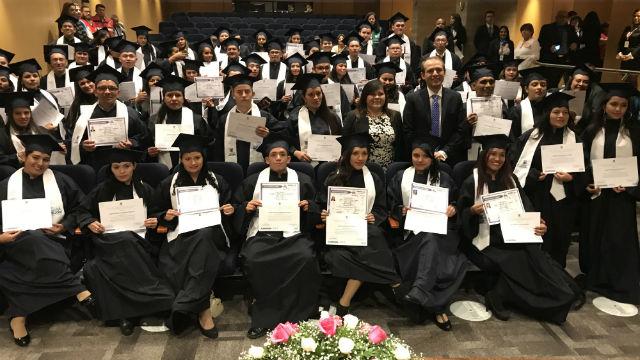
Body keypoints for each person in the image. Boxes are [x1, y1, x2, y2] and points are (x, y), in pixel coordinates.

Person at [457, 134, 583, 324]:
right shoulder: (471, 182)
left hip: (513, 233)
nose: (497, 159)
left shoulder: (511, 179)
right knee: (520, 258)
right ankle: (521, 296)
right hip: (485, 239)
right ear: (484, 156)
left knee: (534, 253)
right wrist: (472, 212)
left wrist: (538, 224)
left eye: (501, 155)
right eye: (493, 154)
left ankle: (502, 293)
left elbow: (526, 207)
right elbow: (460, 219)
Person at [0, 134, 97, 347]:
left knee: (18, 266)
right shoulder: (6, 185)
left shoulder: (61, 181)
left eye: (45, 159)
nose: (40, 163)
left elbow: (80, 207)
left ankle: (18, 317)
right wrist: (1, 237)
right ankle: (75, 288)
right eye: (35, 157)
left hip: (54, 241)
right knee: (32, 237)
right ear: (24, 156)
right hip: (16, 244)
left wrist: (63, 225)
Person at [76, 148, 175, 336]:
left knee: (109, 257)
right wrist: (89, 222)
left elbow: (157, 212)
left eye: (126, 166)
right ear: (111, 169)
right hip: (108, 241)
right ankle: (153, 303)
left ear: (134, 166)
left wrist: (155, 219)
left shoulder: (145, 189)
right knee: (119, 245)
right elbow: (82, 211)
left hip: (139, 241)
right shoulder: (101, 190)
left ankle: (126, 315)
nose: (122, 171)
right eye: (116, 167)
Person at [233, 134, 321, 339]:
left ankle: (300, 315)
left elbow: (318, 208)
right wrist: (246, 208)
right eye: (274, 155)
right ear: (266, 160)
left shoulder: (303, 180)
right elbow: (237, 207)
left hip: (293, 233)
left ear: (289, 159)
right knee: (254, 258)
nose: (279, 158)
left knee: (305, 257)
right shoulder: (253, 181)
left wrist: (309, 208)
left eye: (283, 154)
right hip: (263, 233)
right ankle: (264, 316)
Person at [150, 134, 235, 338]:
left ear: (203, 158)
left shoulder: (217, 181)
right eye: (188, 159)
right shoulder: (169, 183)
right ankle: (202, 310)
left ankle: (186, 307)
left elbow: (232, 207)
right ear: (181, 160)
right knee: (201, 247)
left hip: (212, 234)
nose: (193, 162)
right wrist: (165, 215)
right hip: (182, 235)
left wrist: (230, 210)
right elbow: (154, 212)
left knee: (205, 236)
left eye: (197, 158)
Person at [387, 138, 467, 330]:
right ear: (411, 156)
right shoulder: (400, 176)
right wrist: (400, 210)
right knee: (429, 243)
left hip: (441, 231)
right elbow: (390, 205)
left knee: (431, 239)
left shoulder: (444, 178)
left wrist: (453, 208)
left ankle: (420, 292)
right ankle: (437, 307)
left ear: (432, 158)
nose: (420, 160)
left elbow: (457, 202)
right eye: (416, 155)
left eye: (425, 156)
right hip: (410, 232)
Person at [318, 132, 400, 316]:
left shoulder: (374, 179)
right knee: (374, 240)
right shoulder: (333, 178)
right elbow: (321, 206)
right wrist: (324, 214)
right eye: (355, 153)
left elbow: (381, 208)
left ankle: (344, 302)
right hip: (340, 232)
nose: (360, 158)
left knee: (372, 236)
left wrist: (374, 216)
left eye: (364, 153)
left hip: (364, 228)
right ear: (347, 155)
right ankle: (393, 280)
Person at [578, 83, 640, 305]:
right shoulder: (591, 130)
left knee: (618, 238)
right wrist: (588, 182)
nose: (618, 109)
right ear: (604, 106)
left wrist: (632, 187)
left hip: (623, 197)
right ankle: (595, 277)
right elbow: (582, 161)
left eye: (623, 105)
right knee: (593, 234)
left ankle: (618, 280)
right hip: (597, 194)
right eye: (614, 104)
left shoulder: (634, 131)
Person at [512, 92, 584, 267]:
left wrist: (571, 178)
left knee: (560, 238)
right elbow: (514, 165)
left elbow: (585, 169)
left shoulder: (575, 138)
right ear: (547, 113)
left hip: (563, 199)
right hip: (536, 195)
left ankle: (557, 275)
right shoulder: (530, 137)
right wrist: (533, 176)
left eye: (565, 113)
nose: (561, 116)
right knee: (535, 237)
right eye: (556, 112)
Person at [69, 64, 147, 169]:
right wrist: (83, 146)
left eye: (112, 88)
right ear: (95, 92)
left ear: (118, 92)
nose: (107, 92)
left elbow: (144, 137)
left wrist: (132, 142)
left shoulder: (130, 114)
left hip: (122, 164)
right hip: (94, 164)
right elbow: (73, 140)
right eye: (102, 88)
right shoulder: (85, 116)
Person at [212, 73, 283, 172]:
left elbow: (281, 137)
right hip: (233, 169)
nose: (244, 95)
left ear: (253, 94)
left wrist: (268, 135)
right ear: (233, 94)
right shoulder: (224, 119)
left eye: (247, 91)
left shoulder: (264, 116)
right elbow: (218, 149)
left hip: (259, 169)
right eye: (239, 92)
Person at [403, 56, 466, 165]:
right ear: (423, 75)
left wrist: (445, 152)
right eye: (430, 71)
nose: (435, 73)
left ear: (445, 73)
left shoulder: (455, 97)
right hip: (421, 158)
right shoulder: (412, 98)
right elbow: (408, 131)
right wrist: (425, 152)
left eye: (439, 70)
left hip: (449, 157)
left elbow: (460, 130)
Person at [146, 75, 211, 169]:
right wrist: (150, 153)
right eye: (169, 95)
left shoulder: (196, 119)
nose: (174, 98)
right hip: (163, 169)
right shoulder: (154, 120)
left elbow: (207, 145)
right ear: (163, 97)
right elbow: (146, 146)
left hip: (191, 168)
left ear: (183, 97)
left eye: (178, 95)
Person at [343, 80, 404, 169]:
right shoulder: (354, 116)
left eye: (380, 94)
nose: (377, 97)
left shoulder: (395, 116)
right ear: (365, 97)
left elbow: (400, 146)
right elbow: (345, 146)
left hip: (389, 169)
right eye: (372, 94)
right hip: (362, 168)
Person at [286, 73, 342, 164]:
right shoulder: (295, 117)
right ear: (304, 97)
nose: (316, 98)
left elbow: (341, 140)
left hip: (329, 165)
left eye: (318, 93)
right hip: (304, 165)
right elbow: (286, 140)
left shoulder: (333, 117)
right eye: (311, 95)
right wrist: (295, 152)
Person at [0, 92, 65, 167]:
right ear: (11, 115)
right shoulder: (3, 134)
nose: (23, 116)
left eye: (26, 113)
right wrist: (18, 157)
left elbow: (53, 149)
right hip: (15, 172)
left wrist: (58, 148)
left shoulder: (40, 130)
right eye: (18, 113)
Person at [507, 69, 548, 137]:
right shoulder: (517, 110)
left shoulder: (551, 108)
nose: (539, 87)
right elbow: (513, 138)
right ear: (526, 89)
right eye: (534, 84)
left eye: (543, 85)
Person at [538, 11, 570, 88]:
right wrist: (549, 47)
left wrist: (575, 44)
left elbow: (574, 41)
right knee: (548, 83)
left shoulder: (570, 29)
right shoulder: (547, 28)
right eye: (561, 17)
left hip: (565, 60)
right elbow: (541, 41)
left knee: (563, 84)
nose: (563, 19)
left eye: (565, 17)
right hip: (550, 60)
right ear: (556, 17)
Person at [64, 66, 96, 136]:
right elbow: (70, 128)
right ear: (78, 87)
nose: (87, 85)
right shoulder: (76, 104)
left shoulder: (104, 99)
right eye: (82, 83)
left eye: (89, 81)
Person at [616, 8, 640, 83]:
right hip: (624, 58)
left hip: (635, 59)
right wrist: (620, 52)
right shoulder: (628, 28)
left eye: (639, 16)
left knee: (632, 82)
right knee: (625, 82)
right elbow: (621, 42)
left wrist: (631, 55)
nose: (636, 18)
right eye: (635, 16)